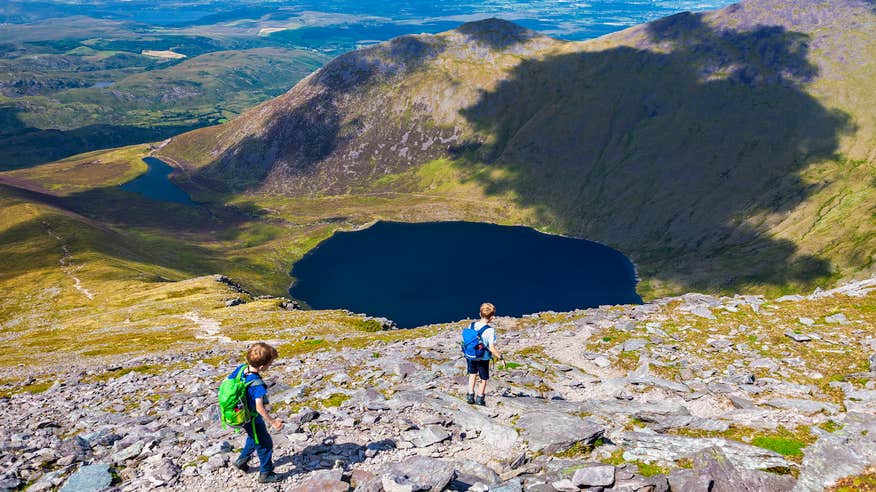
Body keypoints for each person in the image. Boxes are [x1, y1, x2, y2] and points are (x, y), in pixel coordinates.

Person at [230, 342, 284, 484]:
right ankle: (266, 473)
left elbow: (230, 381)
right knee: (265, 443)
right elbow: (260, 408)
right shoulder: (257, 383)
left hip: (241, 414)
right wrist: (273, 422)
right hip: (253, 417)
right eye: (270, 363)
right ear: (262, 367)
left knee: (253, 437)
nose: (270, 365)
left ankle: (241, 461)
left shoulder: (241, 369)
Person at [465, 302, 506, 406]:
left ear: (480, 314)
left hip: (471, 355)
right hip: (483, 358)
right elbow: (491, 348)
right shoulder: (490, 330)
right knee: (483, 378)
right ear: (492, 317)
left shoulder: (472, 325)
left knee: (472, 374)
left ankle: (470, 395)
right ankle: (480, 398)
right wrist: (500, 357)